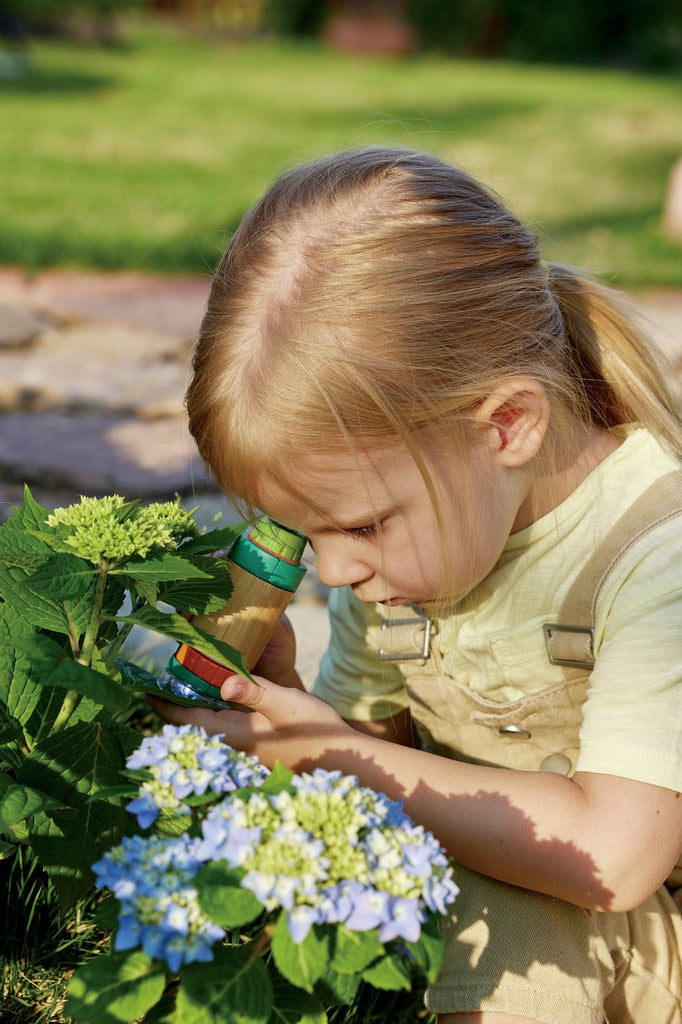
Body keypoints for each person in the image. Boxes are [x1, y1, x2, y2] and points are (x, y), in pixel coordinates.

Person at [155, 147, 682, 1023]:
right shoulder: (408, 563)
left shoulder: (656, 555)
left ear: (507, 424)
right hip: (569, 921)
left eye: (360, 524)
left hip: (648, 917)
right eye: (303, 531)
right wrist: (281, 708)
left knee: (509, 907)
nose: (334, 574)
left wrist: (333, 754)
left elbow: (614, 857)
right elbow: (375, 757)